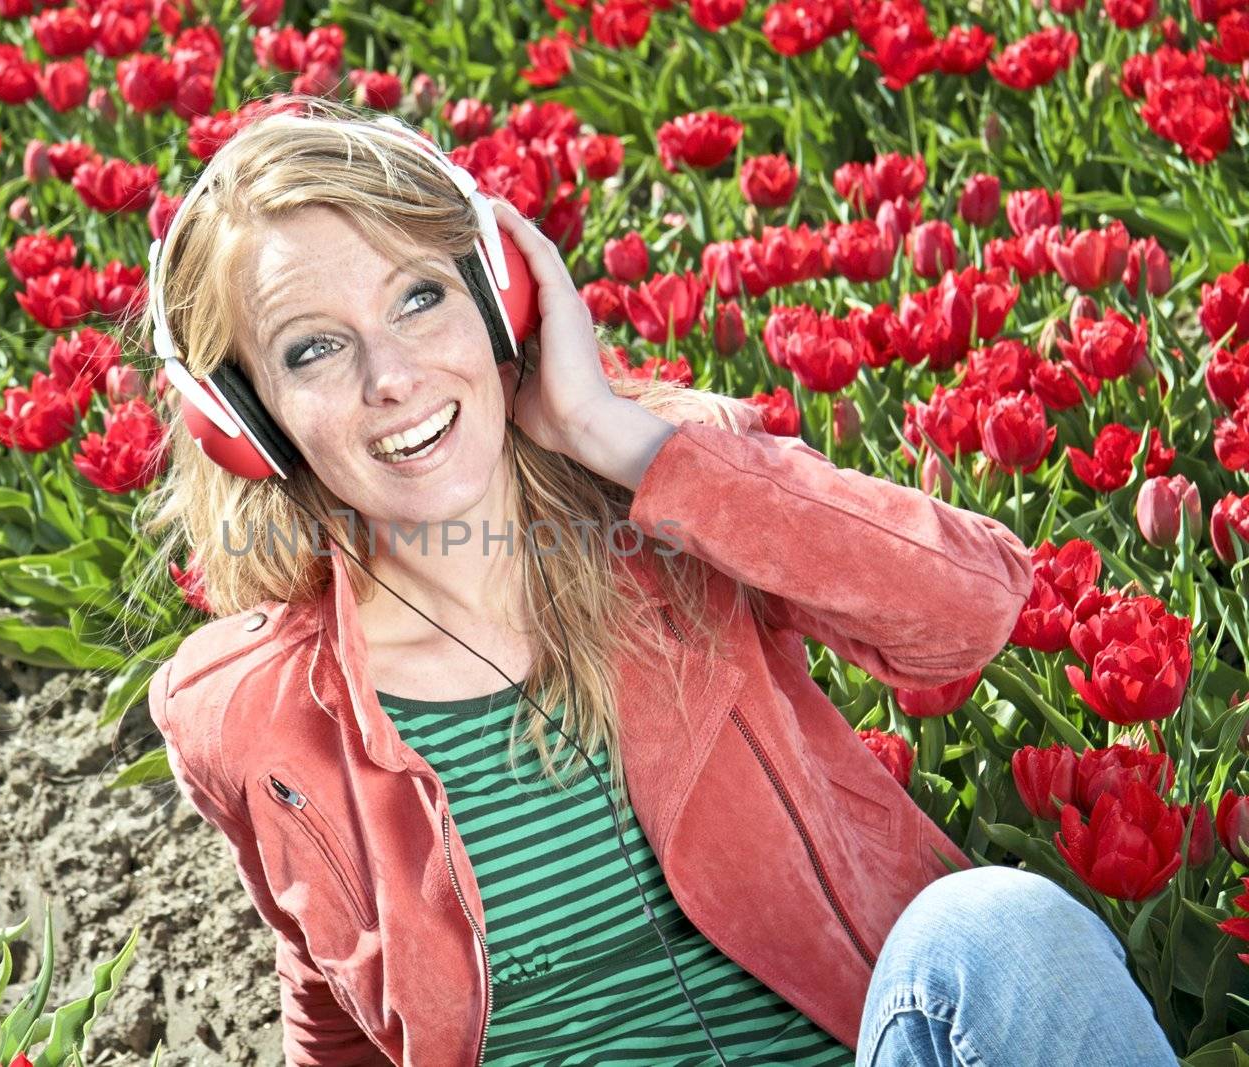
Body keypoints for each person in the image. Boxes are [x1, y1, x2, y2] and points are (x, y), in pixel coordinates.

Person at [137, 95, 1178, 1066]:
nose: (392, 375)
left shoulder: (681, 508)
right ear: (243, 425)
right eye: (313, 348)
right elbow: (329, 992)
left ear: (504, 300)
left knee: (1002, 925)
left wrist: (612, 433)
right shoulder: (245, 712)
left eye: (420, 297)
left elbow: (967, 612)